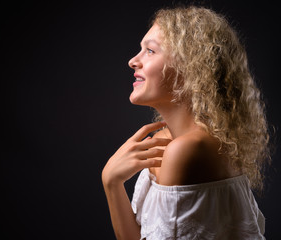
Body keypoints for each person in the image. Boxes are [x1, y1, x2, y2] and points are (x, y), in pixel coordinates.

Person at [102, 6, 271, 240]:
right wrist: (111, 182)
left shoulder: (186, 150)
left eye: (150, 51)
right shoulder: (165, 140)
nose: (133, 61)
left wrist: (110, 181)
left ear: (191, 67)